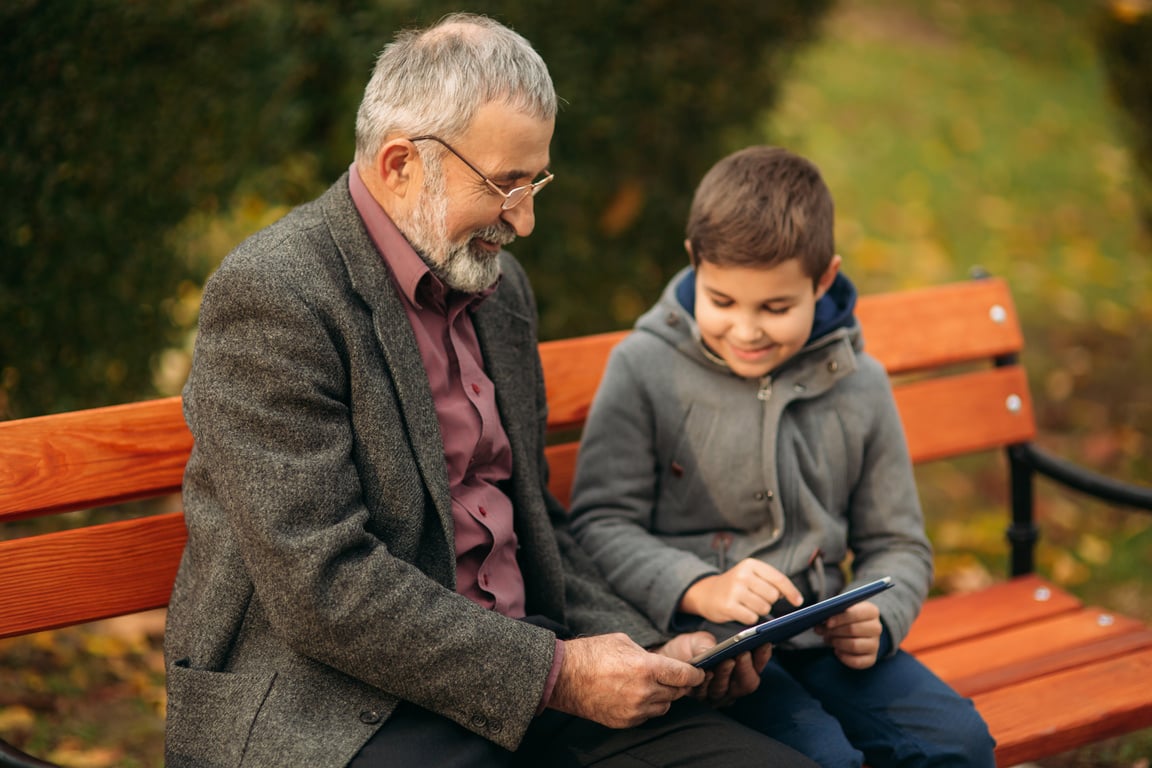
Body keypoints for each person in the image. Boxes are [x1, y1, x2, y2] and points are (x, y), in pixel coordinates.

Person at [163, 15, 819, 768]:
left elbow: (533, 520)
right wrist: (559, 674)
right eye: (506, 184)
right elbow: (324, 588)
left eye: (534, 181)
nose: (526, 220)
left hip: (531, 674)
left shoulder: (499, 292)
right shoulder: (276, 296)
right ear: (401, 163)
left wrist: (656, 644)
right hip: (340, 708)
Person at [568, 145, 998, 768]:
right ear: (694, 261)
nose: (746, 331)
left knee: (956, 743)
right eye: (722, 302)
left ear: (824, 279)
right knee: (824, 758)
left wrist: (882, 614)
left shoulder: (860, 383)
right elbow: (600, 523)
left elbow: (900, 542)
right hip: (714, 652)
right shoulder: (643, 368)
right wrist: (700, 587)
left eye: (775, 308)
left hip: (826, 642)